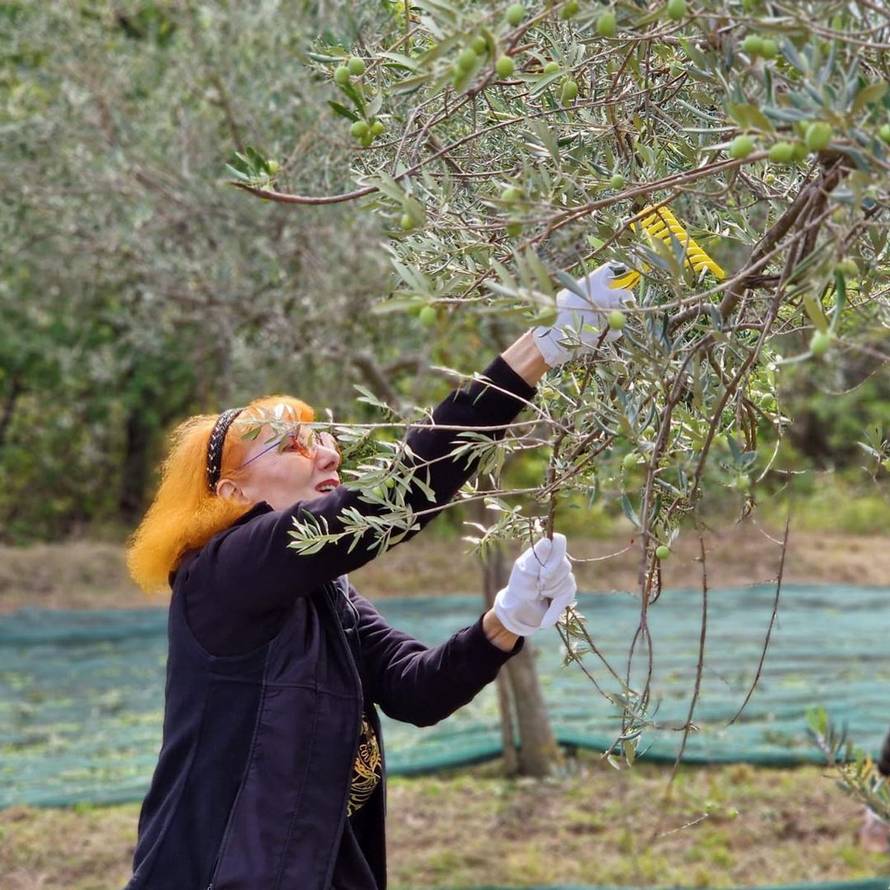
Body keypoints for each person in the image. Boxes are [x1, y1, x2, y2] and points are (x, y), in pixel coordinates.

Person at [123, 262, 634, 890]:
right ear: (231, 491)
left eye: (323, 438)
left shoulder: (325, 596)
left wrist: (510, 619)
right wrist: (537, 352)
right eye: (292, 446)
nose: (330, 452)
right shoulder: (222, 574)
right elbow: (387, 506)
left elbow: (415, 690)